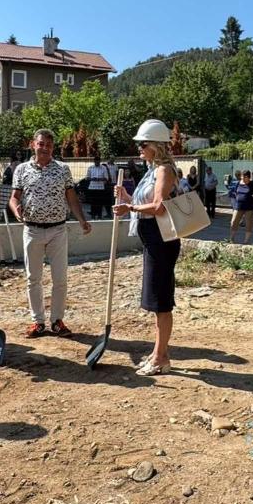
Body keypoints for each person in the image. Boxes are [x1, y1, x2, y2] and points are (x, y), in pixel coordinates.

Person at [113, 119, 180, 376]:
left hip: (161, 240)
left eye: (143, 144)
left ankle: (161, 357)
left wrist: (129, 207)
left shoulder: (164, 170)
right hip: (153, 240)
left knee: (160, 300)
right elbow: (146, 205)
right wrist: (127, 198)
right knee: (155, 299)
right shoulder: (152, 170)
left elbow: (158, 207)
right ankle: (158, 353)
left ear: (156, 145)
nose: (139, 149)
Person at [10, 129, 92, 338]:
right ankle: (37, 322)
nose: (44, 148)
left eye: (48, 145)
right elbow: (14, 197)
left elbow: (71, 197)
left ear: (53, 147)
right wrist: (15, 210)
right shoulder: (21, 169)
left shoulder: (62, 169)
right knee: (33, 279)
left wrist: (82, 219)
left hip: (58, 230)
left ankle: (57, 321)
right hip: (32, 230)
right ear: (33, 145)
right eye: (41, 144)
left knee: (60, 278)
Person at [229, 170, 253, 244]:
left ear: (248, 177)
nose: (243, 178)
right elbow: (235, 192)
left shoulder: (252, 184)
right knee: (233, 221)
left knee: (248, 223)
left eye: (245, 177)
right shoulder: (238, 183)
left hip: (249, 207)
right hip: (238, 206)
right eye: (242, 177)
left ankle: (246, 241)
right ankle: (231, 238)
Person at [85, 155, 109, 220]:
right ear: (94, 161)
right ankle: (93, 215)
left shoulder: (103, 168)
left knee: (100, 202)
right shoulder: (90, 168)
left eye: (98, 162)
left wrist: (99, 179)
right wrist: (92, 179)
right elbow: (87, 178)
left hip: (100, 188)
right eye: (96, 162)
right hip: (92, 187)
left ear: (100, 161)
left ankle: (99, 216)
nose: (97, 163)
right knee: (93, 202)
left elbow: (106, 178)